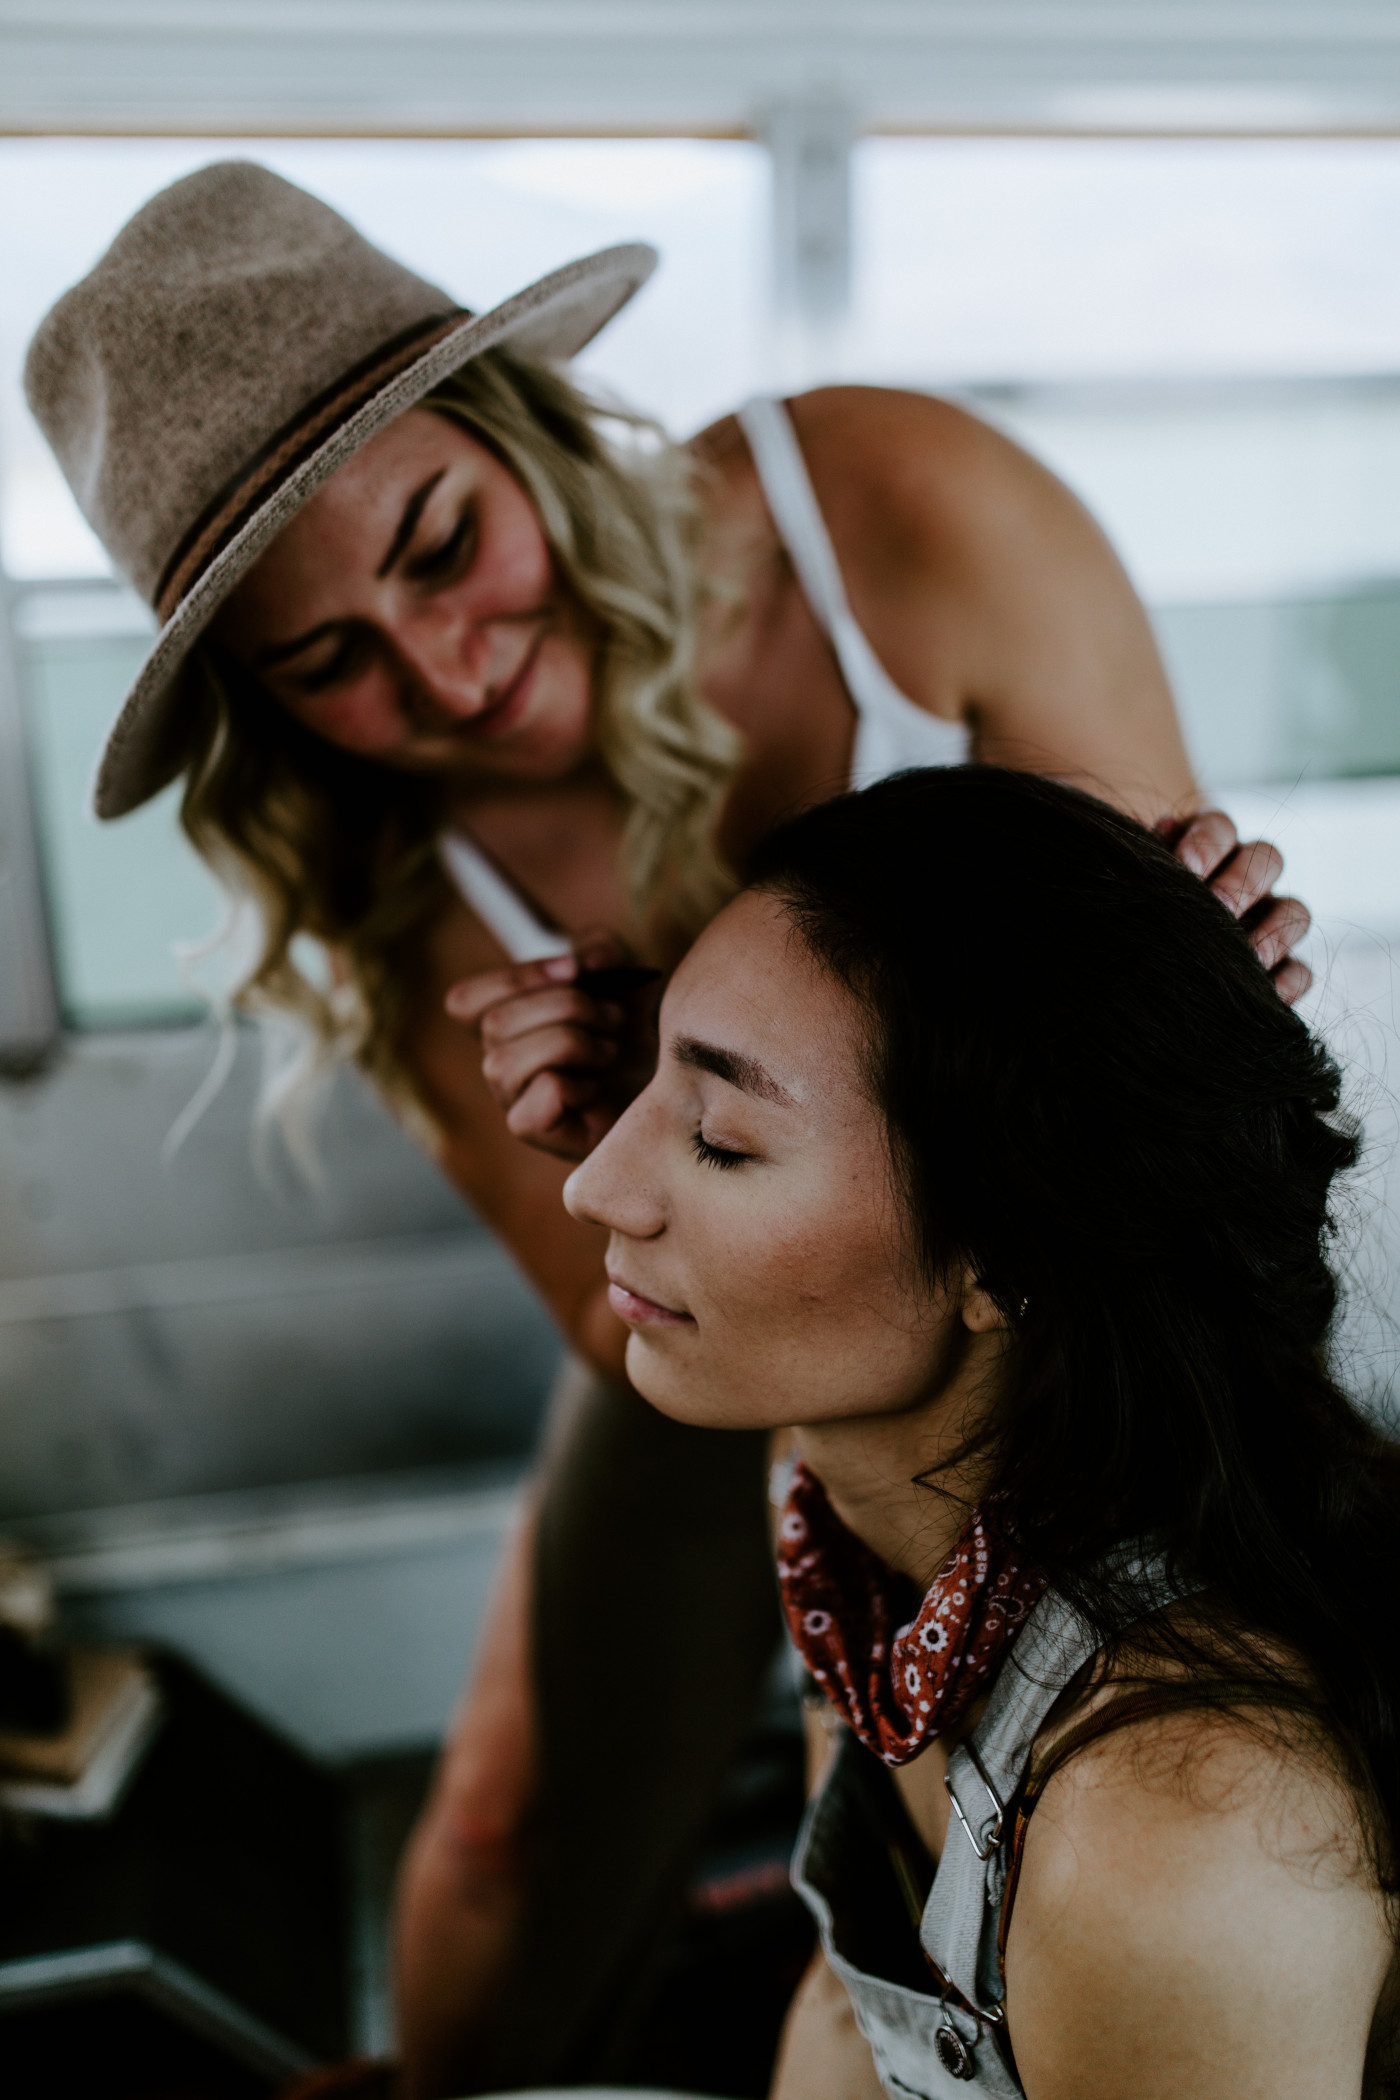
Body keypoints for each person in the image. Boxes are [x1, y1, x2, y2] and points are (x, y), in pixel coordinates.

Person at [24, 161, 1313, 2094]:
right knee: (502, 1815)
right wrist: (649, 1125)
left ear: (520, 428)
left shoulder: (894, 511)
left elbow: (1123, 1088)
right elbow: (647, 1314)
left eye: (445, 546)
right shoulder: (402, 901)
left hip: (1094, 1236)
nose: (445, 673)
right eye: (330, 663)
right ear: (265, 706)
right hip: (736, 1289)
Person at [566, 764, 1399, 2100]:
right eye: (652, 1086)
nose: (591, 1180)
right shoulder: (854, 1505)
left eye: (718, 1138)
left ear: (1007, 1256)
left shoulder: (1180, 1845)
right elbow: (851, 2017)